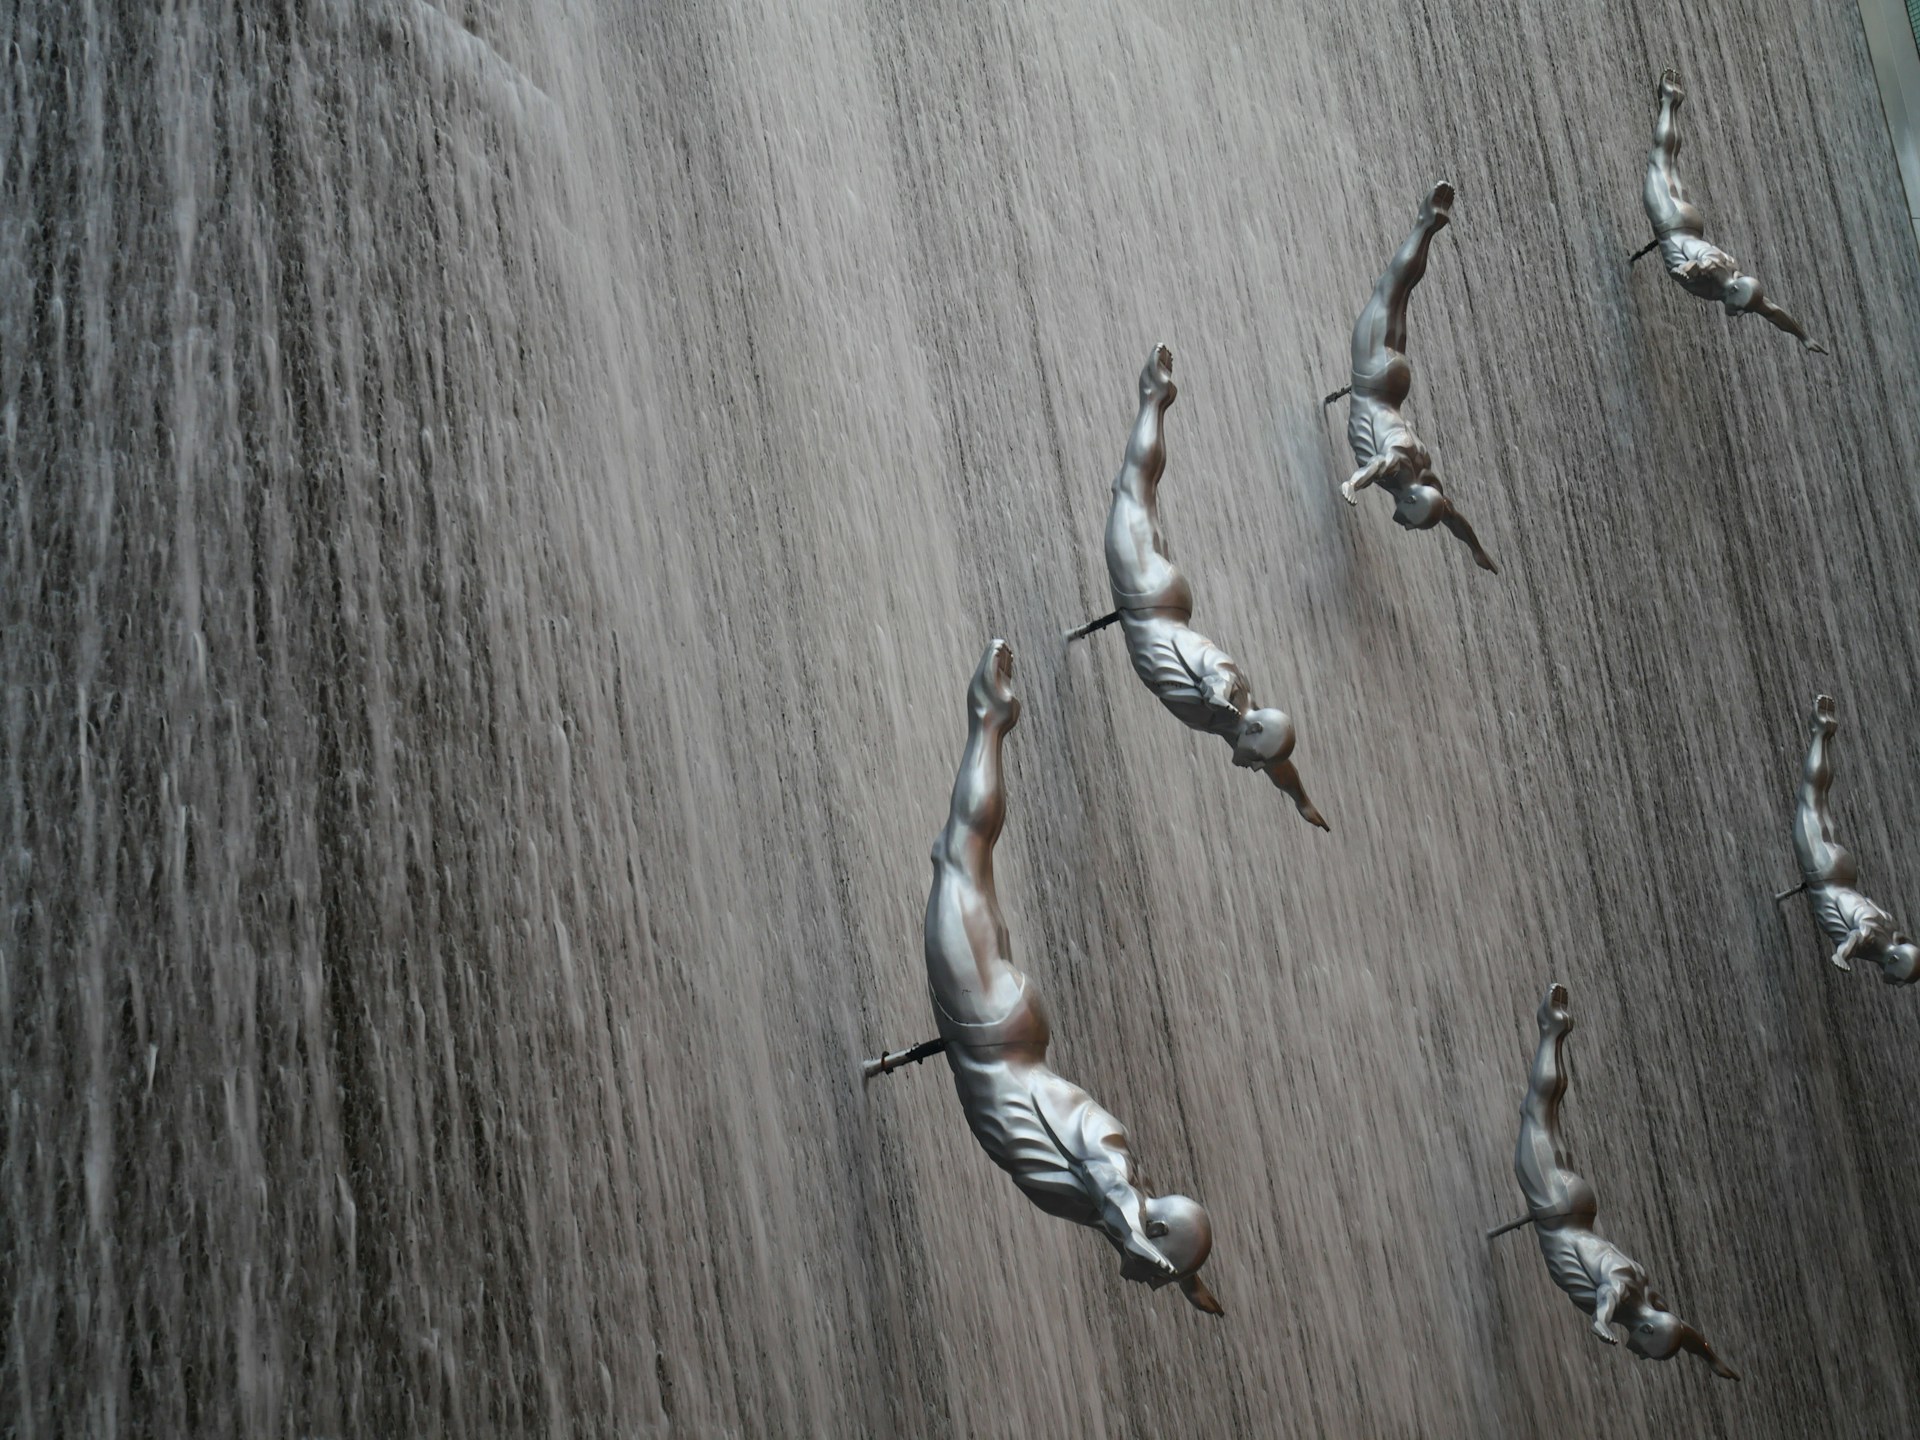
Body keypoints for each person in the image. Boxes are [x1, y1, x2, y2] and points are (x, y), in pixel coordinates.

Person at [920, 638, 1223, 1314]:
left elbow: (1124, 1209)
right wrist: (1144, 1249)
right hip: (985, 1028)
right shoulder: (1111, 1173)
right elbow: (1112, 1186)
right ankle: (989, 717)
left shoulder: (1110, 1203)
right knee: (960, 854)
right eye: (1162, 1267)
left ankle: (991, 722)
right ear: (1153, 1235)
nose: (1152, 1279)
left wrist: (1184, 1278)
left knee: (969, 858)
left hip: (1004, 1033)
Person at [1094, 343, 1329, 830]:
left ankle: (1156, 401)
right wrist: (1216, 688)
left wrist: (1301, 800)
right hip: (1144, 598)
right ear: (1256, 727)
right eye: (1257, 756)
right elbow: (1216, 670)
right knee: (1133, 488)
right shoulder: (1230, 696)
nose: (1254, 766)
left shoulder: (1236, 725)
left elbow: (1279, 766)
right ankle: (1153, 396)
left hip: (1163, 603)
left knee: (1143, 496)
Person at [1501, 983, 1739, 1378]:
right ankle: (1551, 1028)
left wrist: (1709, 1357)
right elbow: (1610, 1288)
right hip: (1555, 1206)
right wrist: (1600, 1320)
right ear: (1646, 1330)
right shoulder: (1625, 1291)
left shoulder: (1648, 1298)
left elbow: (1682, 1331)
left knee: (1546, 1114)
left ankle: (1554, 1033)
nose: (1641, 1356)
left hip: (1571, 1205)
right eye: (1648, 1351)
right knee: (1536, 1111)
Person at [1330, 181, 1497, 573]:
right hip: (1371, 376)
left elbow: (1453, 519)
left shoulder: (1425, 477)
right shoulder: (1403, 471)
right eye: (1413, 523)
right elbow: (1377, 466)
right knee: (1390, 288)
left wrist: (1475, 549)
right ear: (1410, 501)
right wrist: (1353, 484)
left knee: (1399, 292)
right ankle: (1425, 223)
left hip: (1395, 384)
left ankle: (1428, 228)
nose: (1407, 529)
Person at [1636, 69, 1826, 353]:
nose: (1739, 314)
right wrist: (1689, 268)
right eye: (1742, 308)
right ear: (1736, 290)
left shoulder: (1737, 281)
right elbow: (1705, 261)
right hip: (1669, 221)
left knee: (1670, 161)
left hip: (1690, 222)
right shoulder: (1717, 274)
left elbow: (1773, 312)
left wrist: (1804, 337)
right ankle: (1667, 100)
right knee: (1660, 159)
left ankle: (1673, 102)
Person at [1774, 695, 1918, 983]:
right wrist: (1842, 954)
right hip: (1824, 872)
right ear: (1893, 960)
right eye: (1899, 977)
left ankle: (1825, 736)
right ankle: (1820, 731)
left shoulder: (1892, 928)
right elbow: (1858, 934)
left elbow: (1858, 909)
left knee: (1821, 799)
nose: (1897, 983)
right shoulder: (1876, 940)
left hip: (1843, 874)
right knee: (1810, 796)